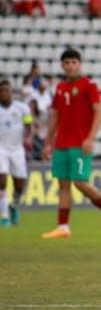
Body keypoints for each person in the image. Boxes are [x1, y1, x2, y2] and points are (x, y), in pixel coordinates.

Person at [40, 48, 101, 238]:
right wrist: (48, 142)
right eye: (67, 62)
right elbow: (55, 117)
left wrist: (90, 138)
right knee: (63, 185)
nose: (71, 66)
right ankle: (63, 227)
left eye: (74, 62)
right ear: (62, 65)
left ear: (79, 64)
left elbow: (98, 113)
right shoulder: (59, 88)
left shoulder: (88, 85)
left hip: (80, 144)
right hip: (61, 144)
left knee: (80, 182)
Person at [0, 79, 32, 226]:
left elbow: (28, 124)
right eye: (1, 91)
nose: (4, 94)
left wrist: (27, 138)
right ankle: (4, 216)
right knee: (2, 181)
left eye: (7, 90)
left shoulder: (23, 108)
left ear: (11, 92)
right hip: (1, 149)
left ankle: (13, 206)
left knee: (19, 186)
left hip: (17, 149)